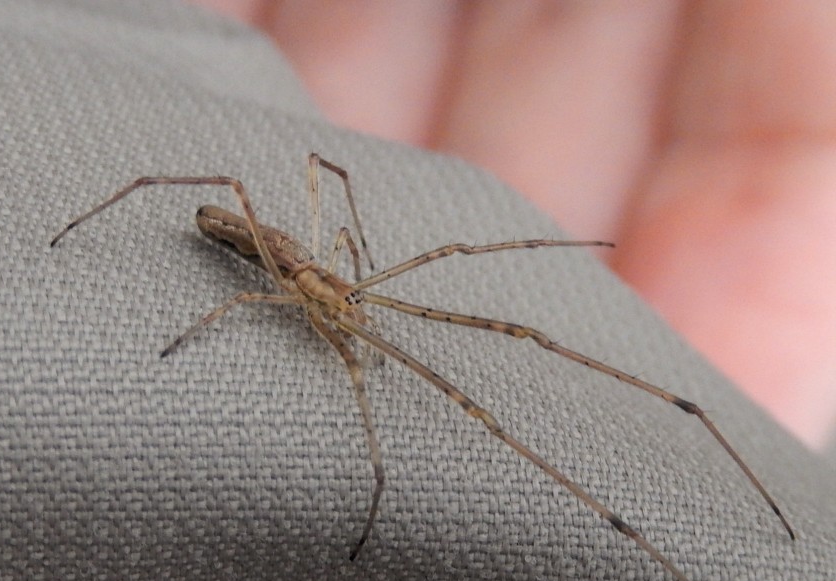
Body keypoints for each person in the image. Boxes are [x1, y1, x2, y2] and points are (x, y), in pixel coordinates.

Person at [195, 0, 836, 450]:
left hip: (314, 269)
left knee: (506, 315)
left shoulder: (349, 295)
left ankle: (684, 407)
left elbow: (439, 246)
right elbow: (260, 278)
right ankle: (378, 478)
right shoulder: (280, 290)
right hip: (250, 245)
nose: (353, 313)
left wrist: (354, 260)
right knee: (364, 368)